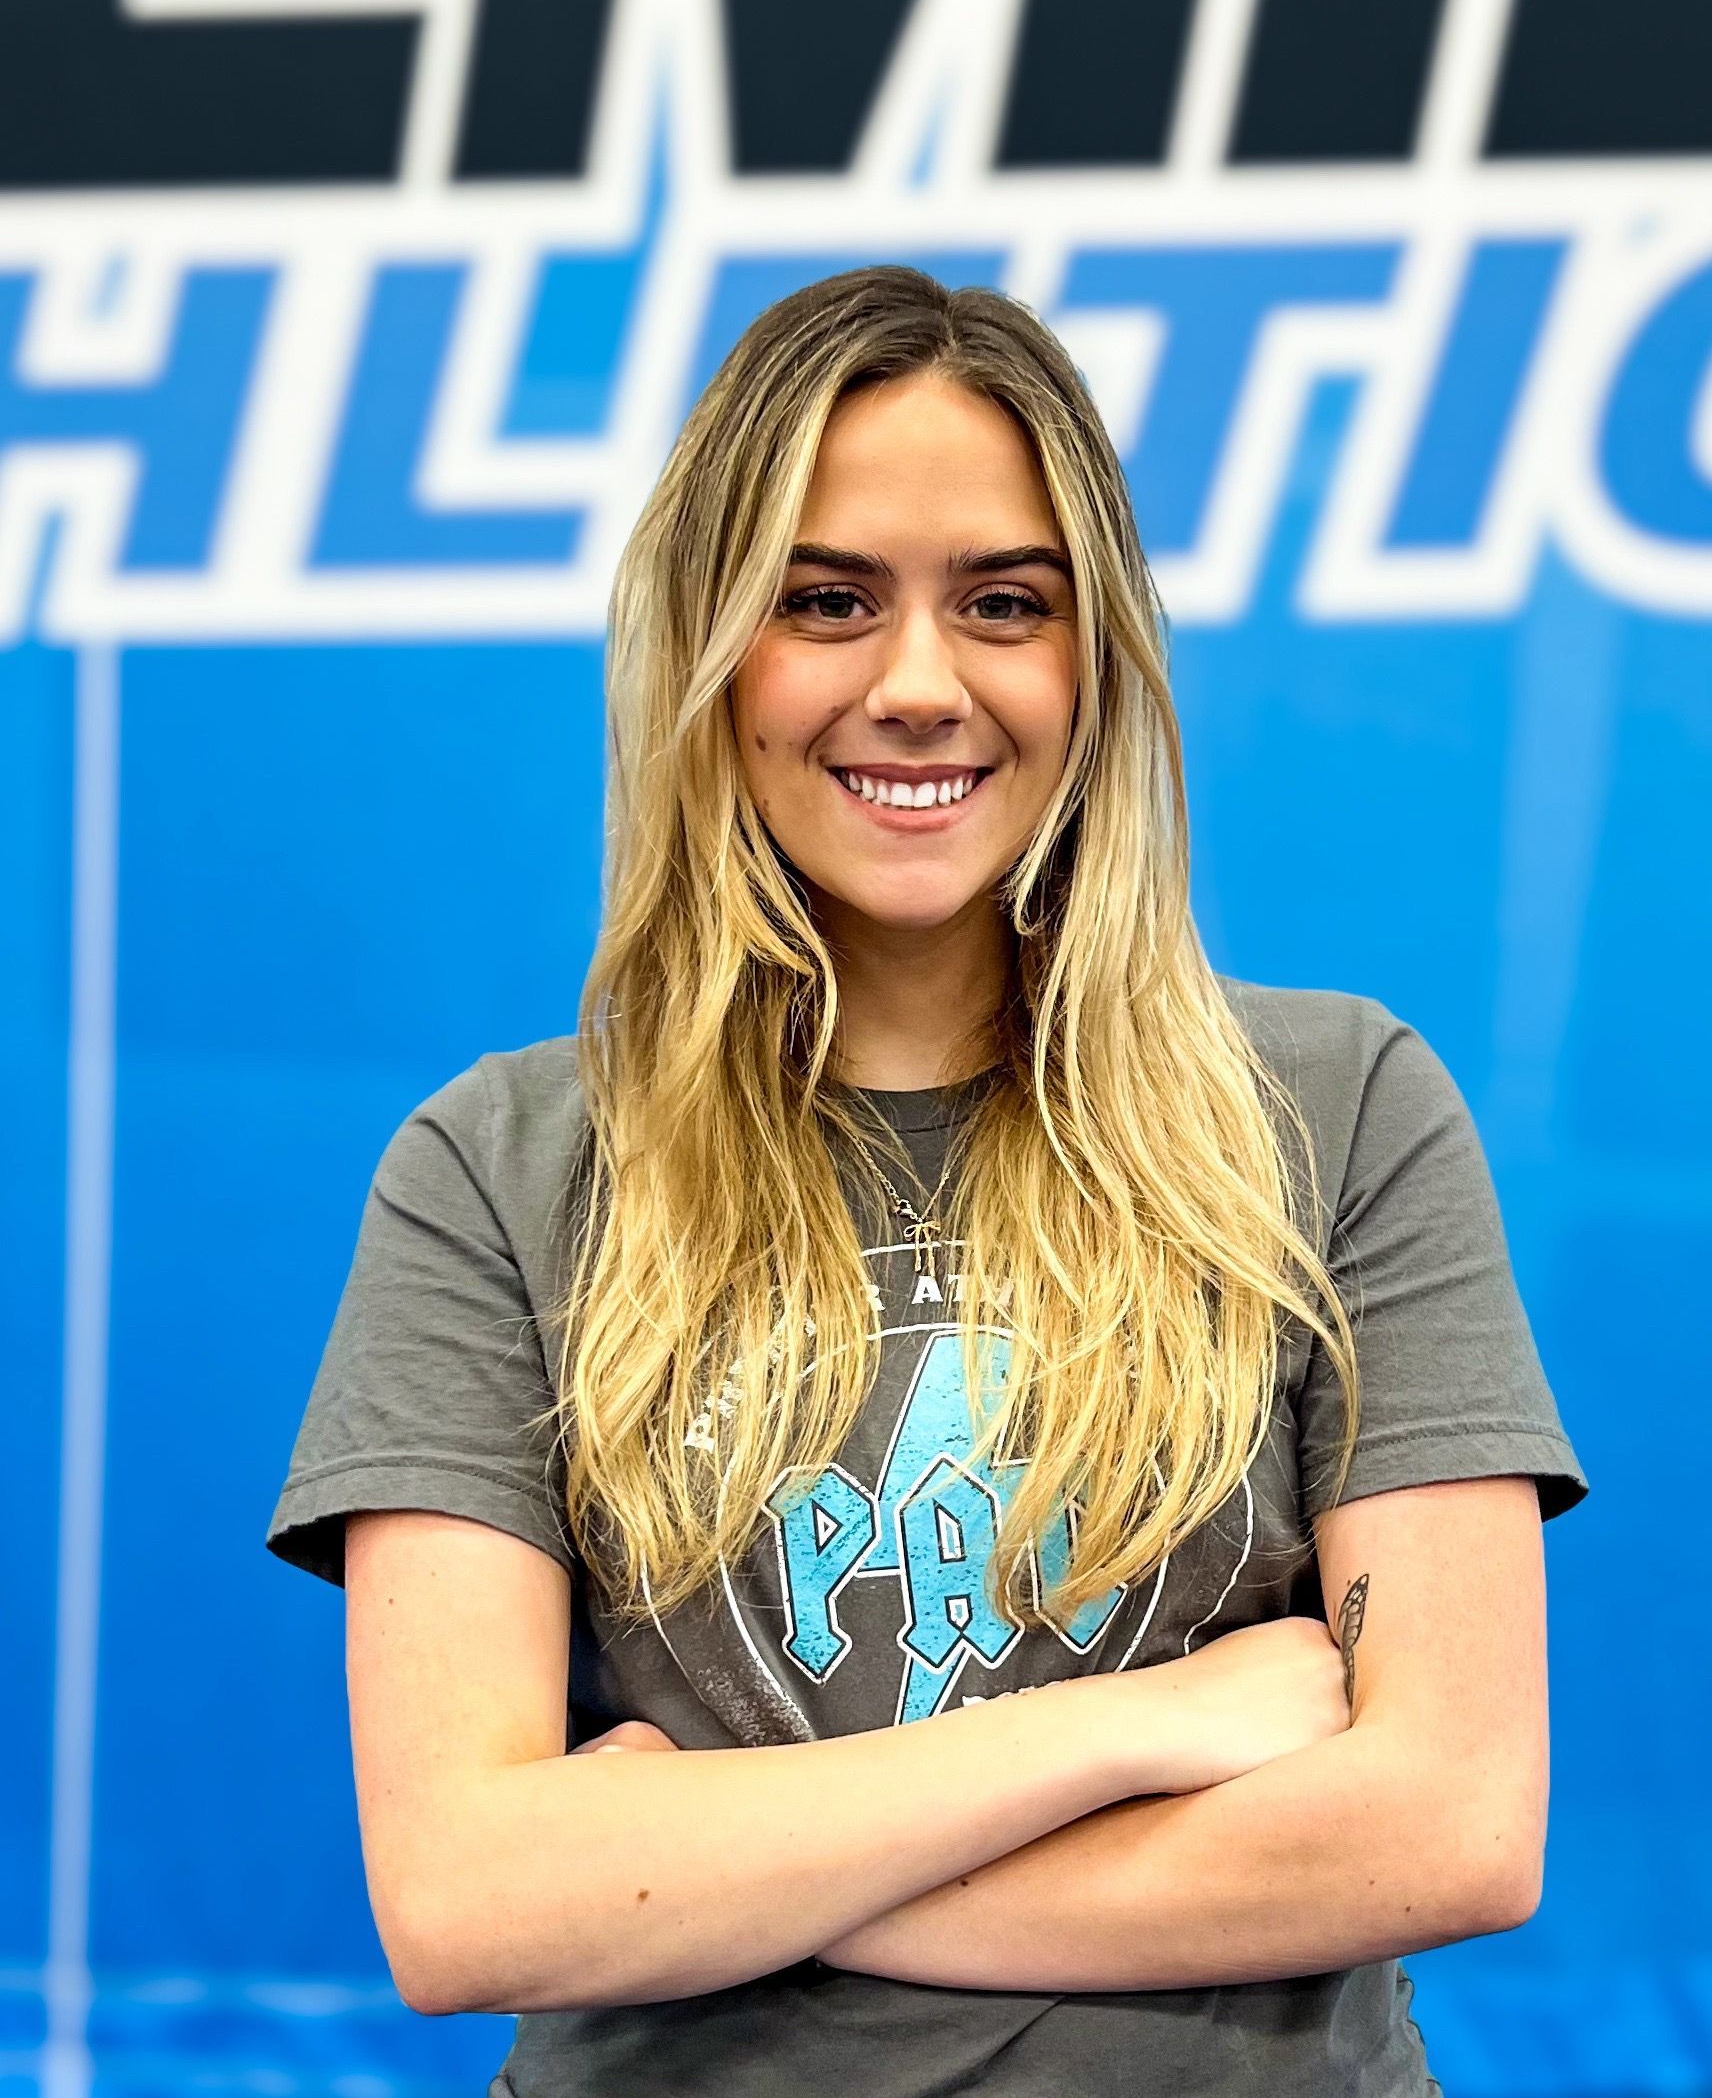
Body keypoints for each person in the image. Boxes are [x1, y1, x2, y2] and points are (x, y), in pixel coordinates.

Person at [266, 263, 1589, 2097]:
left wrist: (719, 1871)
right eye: (824, 600)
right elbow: (470, 1902)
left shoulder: (1341, 1109)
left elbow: (1448, 1826)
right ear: (712, 652)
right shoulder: (496, 1170)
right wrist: (1143, 1728)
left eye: (1003, 604)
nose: (916, 684)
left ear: (1097, 657)